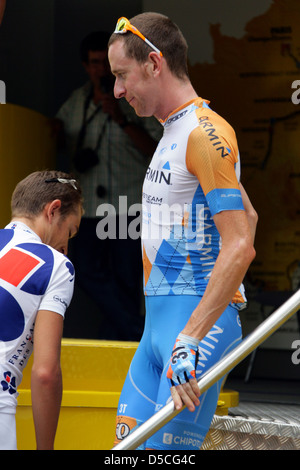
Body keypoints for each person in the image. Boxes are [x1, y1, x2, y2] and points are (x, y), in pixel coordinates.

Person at [108, 13, 258, 450]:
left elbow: (240, 244)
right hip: (157, 331)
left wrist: (190, 337)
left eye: (122, 75)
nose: (117, 90)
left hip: (195, 330)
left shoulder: (205, 133)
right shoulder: (174, 130)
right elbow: (249, 215)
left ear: (154, 64)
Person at [56, 31, 162, 340]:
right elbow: (59, 136)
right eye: (94, 63)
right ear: (86, 66)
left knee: (128, 280)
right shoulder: (76, 102)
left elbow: (155, 149)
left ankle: (123, 346)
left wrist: (122, 120)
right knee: (87, 273)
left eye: (105, 63)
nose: (100, 69)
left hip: (128, 205)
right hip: (90, 207)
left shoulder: (135, 98)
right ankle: (136, 334)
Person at [0, 170, 83, 450]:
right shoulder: (56, 265)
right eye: (69, 231)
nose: (66, 247)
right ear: (53, 210)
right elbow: (45, 373)